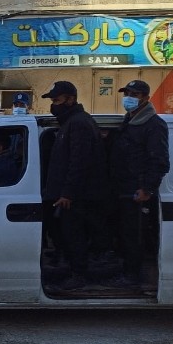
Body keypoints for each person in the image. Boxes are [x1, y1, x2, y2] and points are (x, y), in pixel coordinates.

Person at [41, 81, 108, 291]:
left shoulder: (78, 123)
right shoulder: (70, 122)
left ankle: (79, 275)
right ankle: (70, 270)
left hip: (77, 197)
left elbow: (79, 162)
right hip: (71, 195)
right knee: (67, 236)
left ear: (70, 99)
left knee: (75, 237)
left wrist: (68, 193)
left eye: (57, 100)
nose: (54, 105)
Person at [106, 80, 170, 288]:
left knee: (134, 236)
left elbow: (159, 161)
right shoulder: (129, 121)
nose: (128, 98)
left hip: (137, 192)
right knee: (123, 233)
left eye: (134, 94)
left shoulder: (153, 124)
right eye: (127, 93)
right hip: (123, 189)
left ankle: (132, 277)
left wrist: (147, 189)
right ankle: (124, 271)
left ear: (146, 98)